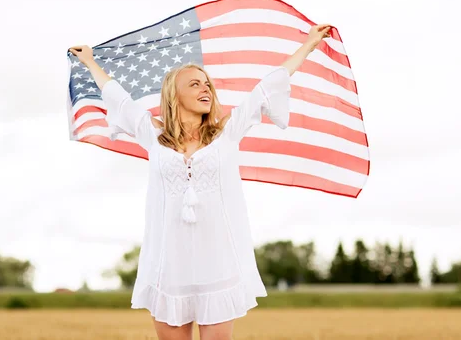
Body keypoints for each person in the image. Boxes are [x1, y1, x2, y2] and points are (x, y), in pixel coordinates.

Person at [68, 23, 332, 340]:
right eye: (195, 84)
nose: (205, 89)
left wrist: (308, 46)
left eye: (207, 84)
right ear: (173, 94)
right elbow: (118, 98)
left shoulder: (227, 133)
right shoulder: (152, 135)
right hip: (168, 267)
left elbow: (268, 86)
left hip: (217, 266)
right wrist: (90, 62)